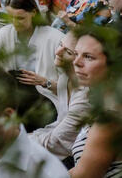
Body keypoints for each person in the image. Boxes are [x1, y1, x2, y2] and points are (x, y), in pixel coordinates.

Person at [0, 0, 62, 130]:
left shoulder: (55, 39)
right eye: (10, 17)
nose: (14, 23)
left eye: (20, 18)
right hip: (15, 98)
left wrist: (44, 82)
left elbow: (71, 88)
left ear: (33, 13)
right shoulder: (5, 33)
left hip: (46, 101)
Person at [68, 27, 122, 177]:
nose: (76, 62)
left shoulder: (110, 121)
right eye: (75, 54)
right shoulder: (105, 105)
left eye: (88, 57)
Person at [30, 31, 88, 160]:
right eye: (60, 45)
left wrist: (23, 139)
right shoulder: (65, 77)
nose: (57, 52)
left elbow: (58, 142)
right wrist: (45, 82)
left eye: (68, 52)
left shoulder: (84, 98)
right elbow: (60, 122)